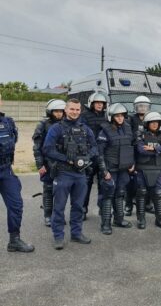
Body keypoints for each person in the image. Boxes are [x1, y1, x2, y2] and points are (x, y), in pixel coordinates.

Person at [43, 98, 98, 249]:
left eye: (77, 109)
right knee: (59, 207)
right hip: (63, 173)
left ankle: (76, 234)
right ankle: (58, 237)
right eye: (72, 109)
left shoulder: (86, 129)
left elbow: (95, 148)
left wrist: (87, 157)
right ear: (66, 110)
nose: (74, 112)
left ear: (80, 111)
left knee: (78, 206)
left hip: (81, 174)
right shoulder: (56, 128)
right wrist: (67, 159)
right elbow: (47, 149)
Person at [0, 94, 34, 252]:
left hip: (5, 170)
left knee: (16, 205)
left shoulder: (8, 122)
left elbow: (13, 142)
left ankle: (14, 240)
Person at [97, 103, 135, 234]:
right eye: (117, 116)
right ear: (111, 117)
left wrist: (132, 163)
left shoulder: (128, 129)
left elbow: (132, 147)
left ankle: (119, 219)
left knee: (120, 194)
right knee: (108, 195)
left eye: (122, 116)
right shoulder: (104, 131)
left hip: (123, 168)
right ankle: (105, 223)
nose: (120, 118)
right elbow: (99, 153)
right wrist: (104, 171)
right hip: (110, 169)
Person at [135, 111, 161, 229]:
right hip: (143, 169)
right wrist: (159, 150)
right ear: (147, 123)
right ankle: (141, 220)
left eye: (157, 122)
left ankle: (160, 219)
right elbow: (141, 150)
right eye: (152, 122)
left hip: (158, 169)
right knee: (141, 194)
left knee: (158, 194)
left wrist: (154, 148)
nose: (155, 124)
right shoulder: (140, 133)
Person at [32, 99, 66, 226]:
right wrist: (40, 164)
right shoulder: (43, 124)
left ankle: (58, 215)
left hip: (62, 162)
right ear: (50, 111)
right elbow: (37, 146)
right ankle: (48, 215)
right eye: (56, 111)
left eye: (61, 111)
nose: (59, 114)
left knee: (61, 190)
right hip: (47, 163)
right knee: (48, 189)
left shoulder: (66, 124)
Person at [80, 91, 108, 220]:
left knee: (103, 183)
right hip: (89, 154)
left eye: (102, 103)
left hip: (103, 155)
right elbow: (81, 133)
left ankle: (102, 207)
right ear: (91, 103)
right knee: (86, 183)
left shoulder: (107, 116)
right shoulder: (84, 116)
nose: (100, 105)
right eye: (97, 103)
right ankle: (82, 209)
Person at [125, 95, 152, 216]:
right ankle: (128, 205)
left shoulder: (152, 119)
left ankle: (147, 203)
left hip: (146, 154)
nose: (142, 108)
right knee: (130, 182)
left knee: (147, 180)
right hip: (133, 153)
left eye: (145, 106)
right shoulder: (130, 120)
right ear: (135, 107)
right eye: (140, 106)